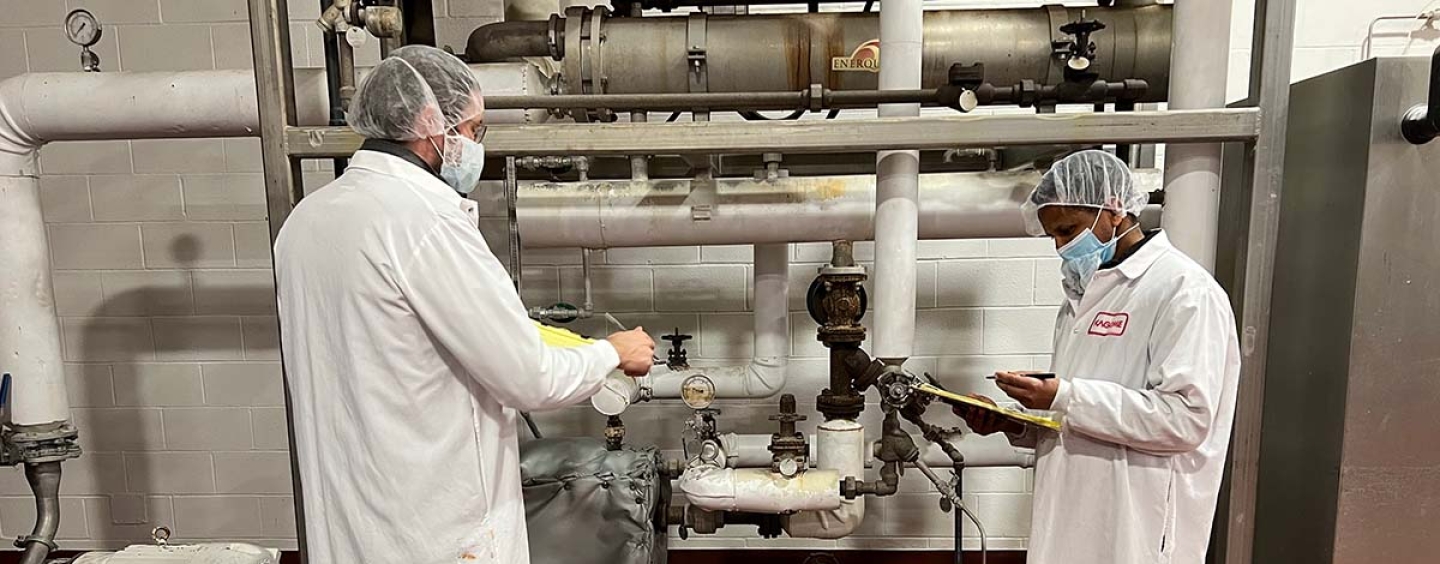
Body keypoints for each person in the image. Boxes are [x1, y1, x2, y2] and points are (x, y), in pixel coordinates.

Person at [273, 45, 656, 564]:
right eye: (474, 131)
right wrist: (612, 352)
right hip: (434, 533)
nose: (475, 146)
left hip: (349, 530)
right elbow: (530, 377)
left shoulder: (306, 221)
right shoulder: (426, 222)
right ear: (432, 125)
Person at [957, 150, 1241, 564]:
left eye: (1068, 230)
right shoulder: (1081, 296)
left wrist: (1064, 396)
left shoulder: (1184, 291)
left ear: (1113, 207)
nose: (1060, 247)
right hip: (1070, 519)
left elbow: (1186, 420)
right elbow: (1078, 418)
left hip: (1137, 528)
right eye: (1053, 235)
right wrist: (1015, 423)